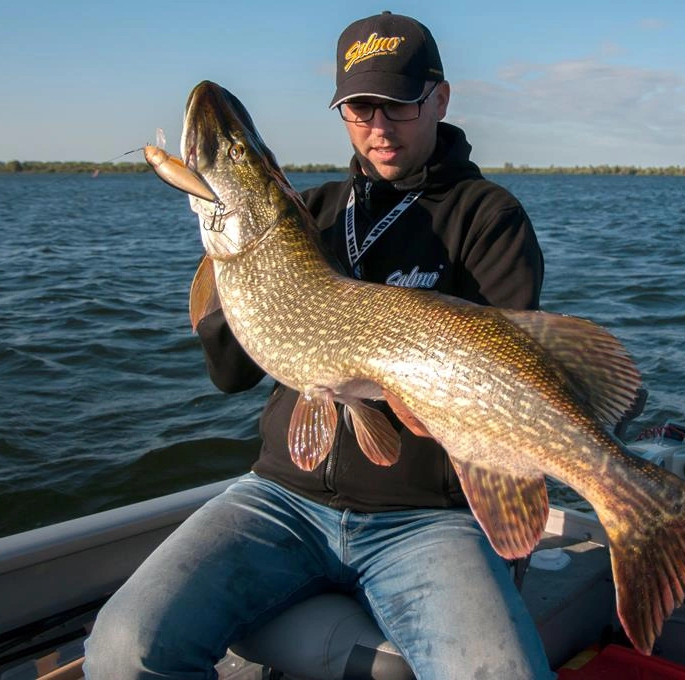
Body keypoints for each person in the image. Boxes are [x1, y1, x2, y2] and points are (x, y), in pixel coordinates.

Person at [84, 11, 552, 680]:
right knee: (123, 647)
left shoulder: (489, 217)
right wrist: (225, 262)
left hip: (424, 519)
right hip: (281, 499)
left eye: (399, 104)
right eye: (361, 109)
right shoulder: (314, 212)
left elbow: (502, 384)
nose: (379, 127)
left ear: (440, 99)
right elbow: (231, 375)